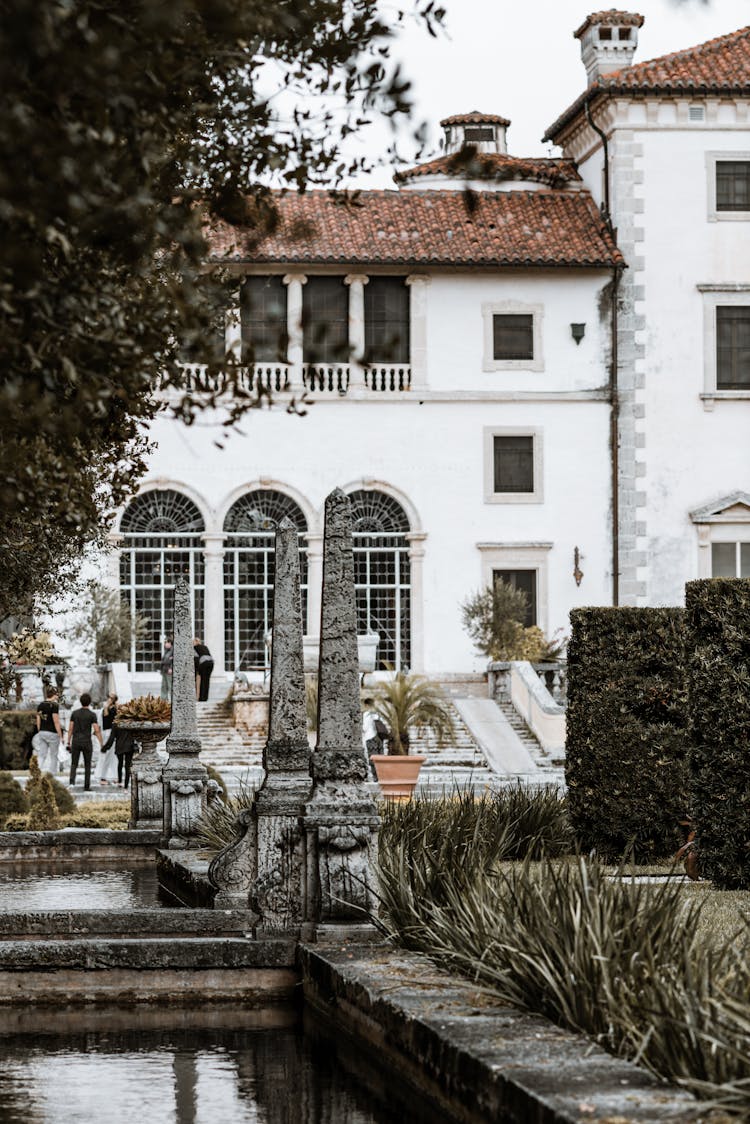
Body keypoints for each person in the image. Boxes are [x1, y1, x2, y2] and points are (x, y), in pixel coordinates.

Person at [67, 693, 102, 791]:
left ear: (80, 702)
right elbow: (96, 729)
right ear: (89, 702)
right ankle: (87, 786)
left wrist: (68, 742)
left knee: (74, 763)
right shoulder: (92, 715)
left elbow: (70, 729)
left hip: (76, 741)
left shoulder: (74, 713)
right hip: (87, 741)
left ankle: (71, 783)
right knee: (87, 765)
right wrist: (101, 742)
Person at [33, 686, 62, 773]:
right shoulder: (54, 705)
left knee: (42, 755)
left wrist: (40, 731)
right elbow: (56, 721)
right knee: (53, 755)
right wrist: (60, 734)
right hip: (52, 733)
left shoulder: (40, 705)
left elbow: (38, 720)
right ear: (54, 695)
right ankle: (52, 774)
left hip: (42, 732)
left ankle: (36, 772)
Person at [362, 698, 387, 776]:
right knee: (380, 757)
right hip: (379, 738)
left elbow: (364, 728)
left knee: (373, 758)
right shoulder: (378, 714)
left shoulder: (366, 714)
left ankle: (376, 776)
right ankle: (381, 775)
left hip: (370, 738)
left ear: (366, 705)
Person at [97, 693, 118, 786]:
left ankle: (110, 776)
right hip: (106, 733)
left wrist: (106, 707)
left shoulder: (114, 709)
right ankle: (104, 776)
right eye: (108, 697)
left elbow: (107, 718)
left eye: (110, 698)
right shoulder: (106, 708)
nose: (108, 699)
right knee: (107, 756)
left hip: (111, 733)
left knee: (111, 756)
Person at [193, 637, 214, 702]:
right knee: (207, 680)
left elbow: (195, 659)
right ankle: (205, 697)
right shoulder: (205, 647)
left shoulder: (195, 648)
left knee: (202, 681)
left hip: (204, 663)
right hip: (211, 663)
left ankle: (201, 698)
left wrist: (197, 671)